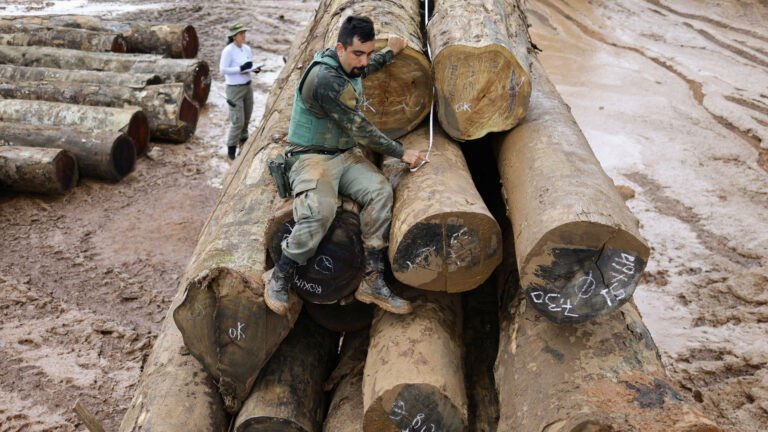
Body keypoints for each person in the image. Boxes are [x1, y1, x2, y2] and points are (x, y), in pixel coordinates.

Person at [265, 15, 428, 316]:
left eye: (367, 53)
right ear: (340, 48)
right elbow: (360, 128)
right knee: (319, 212)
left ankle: (371, 279)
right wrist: (400, 152)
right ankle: (281, 275)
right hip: (311, 157)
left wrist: (389, 52)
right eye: (358, 53)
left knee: (380, 192)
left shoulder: (348, 65)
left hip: (343, 154)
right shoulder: (324, 79)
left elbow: (362, 71)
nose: (364, 60)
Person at [219, 22, 258, 160]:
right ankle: (231, 148)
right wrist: (240, 69)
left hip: (247, 86)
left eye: (244, 33)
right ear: (234, 36)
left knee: (247, 117)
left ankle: (244, 141)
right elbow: (222, 69)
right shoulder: (228, 51)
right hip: (234, 89)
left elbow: (249, 64)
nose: (244, 36)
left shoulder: (246, 48)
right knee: (238, 121)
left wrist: (254, 68)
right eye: (241, 34)